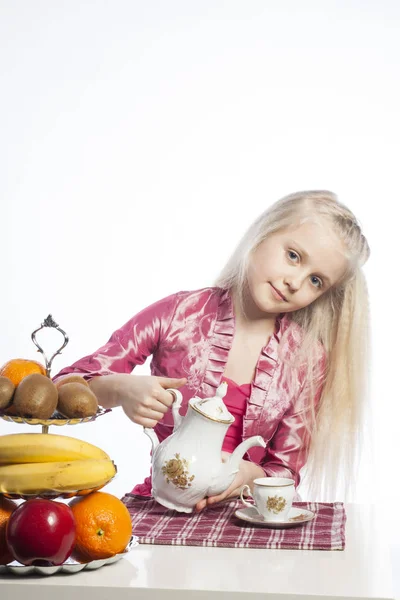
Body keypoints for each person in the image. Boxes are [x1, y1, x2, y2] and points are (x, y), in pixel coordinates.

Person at [54, 190, 370, 507]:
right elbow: (61, 388)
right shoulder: (178, 315)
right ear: (263, 233)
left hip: (248, 519)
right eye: (293, 256)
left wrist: (247, 474)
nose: (295, 282)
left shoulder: (307, 358)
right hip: (158, 508)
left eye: (316, 280)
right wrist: (120, 388)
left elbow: (284, 472)